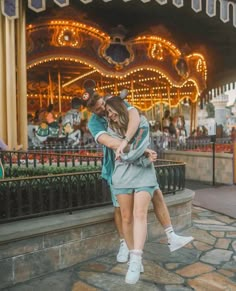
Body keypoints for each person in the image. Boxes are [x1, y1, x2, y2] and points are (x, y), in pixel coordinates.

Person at [84, 90, 193, 262]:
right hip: (117, 166)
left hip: (137, 160)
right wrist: (140, 150)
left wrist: (133, 145)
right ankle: (124, 244)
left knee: (156, 193)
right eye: (98, 109)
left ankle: (171, 235)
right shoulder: (94, 123)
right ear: (92, 111)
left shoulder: (115, 105)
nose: (104, 110)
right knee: (121, 209)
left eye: (103, 105)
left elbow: (135, 119)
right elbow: (110, 142)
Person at [105, 96, 158, 284]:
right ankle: (132, 250)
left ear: (120, 107)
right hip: (122, 176)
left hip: (143, 172)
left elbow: (131, 149)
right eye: (108, 113)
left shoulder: (141, 121)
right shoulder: (111, 128)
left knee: (140, 213)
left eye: (111, 111)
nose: (110, 115)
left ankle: (135, 258)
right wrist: (141, 152)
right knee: (126, 217)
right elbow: (124, 151)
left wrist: (134, 150)